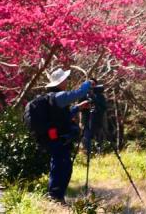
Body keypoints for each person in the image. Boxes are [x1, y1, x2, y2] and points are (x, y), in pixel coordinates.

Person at [41, 68, 92, 205]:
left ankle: (57, 197)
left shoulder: (54, 96)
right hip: (58, 139)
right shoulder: (60, 96)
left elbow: (63, 117)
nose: (67, 81)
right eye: (65, 79)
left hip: (57, 138)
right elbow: (79, 93)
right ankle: (55, 197)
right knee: (61, 168)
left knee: (60, 167)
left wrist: (78, 107)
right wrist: (88, 84)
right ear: (60, 82)